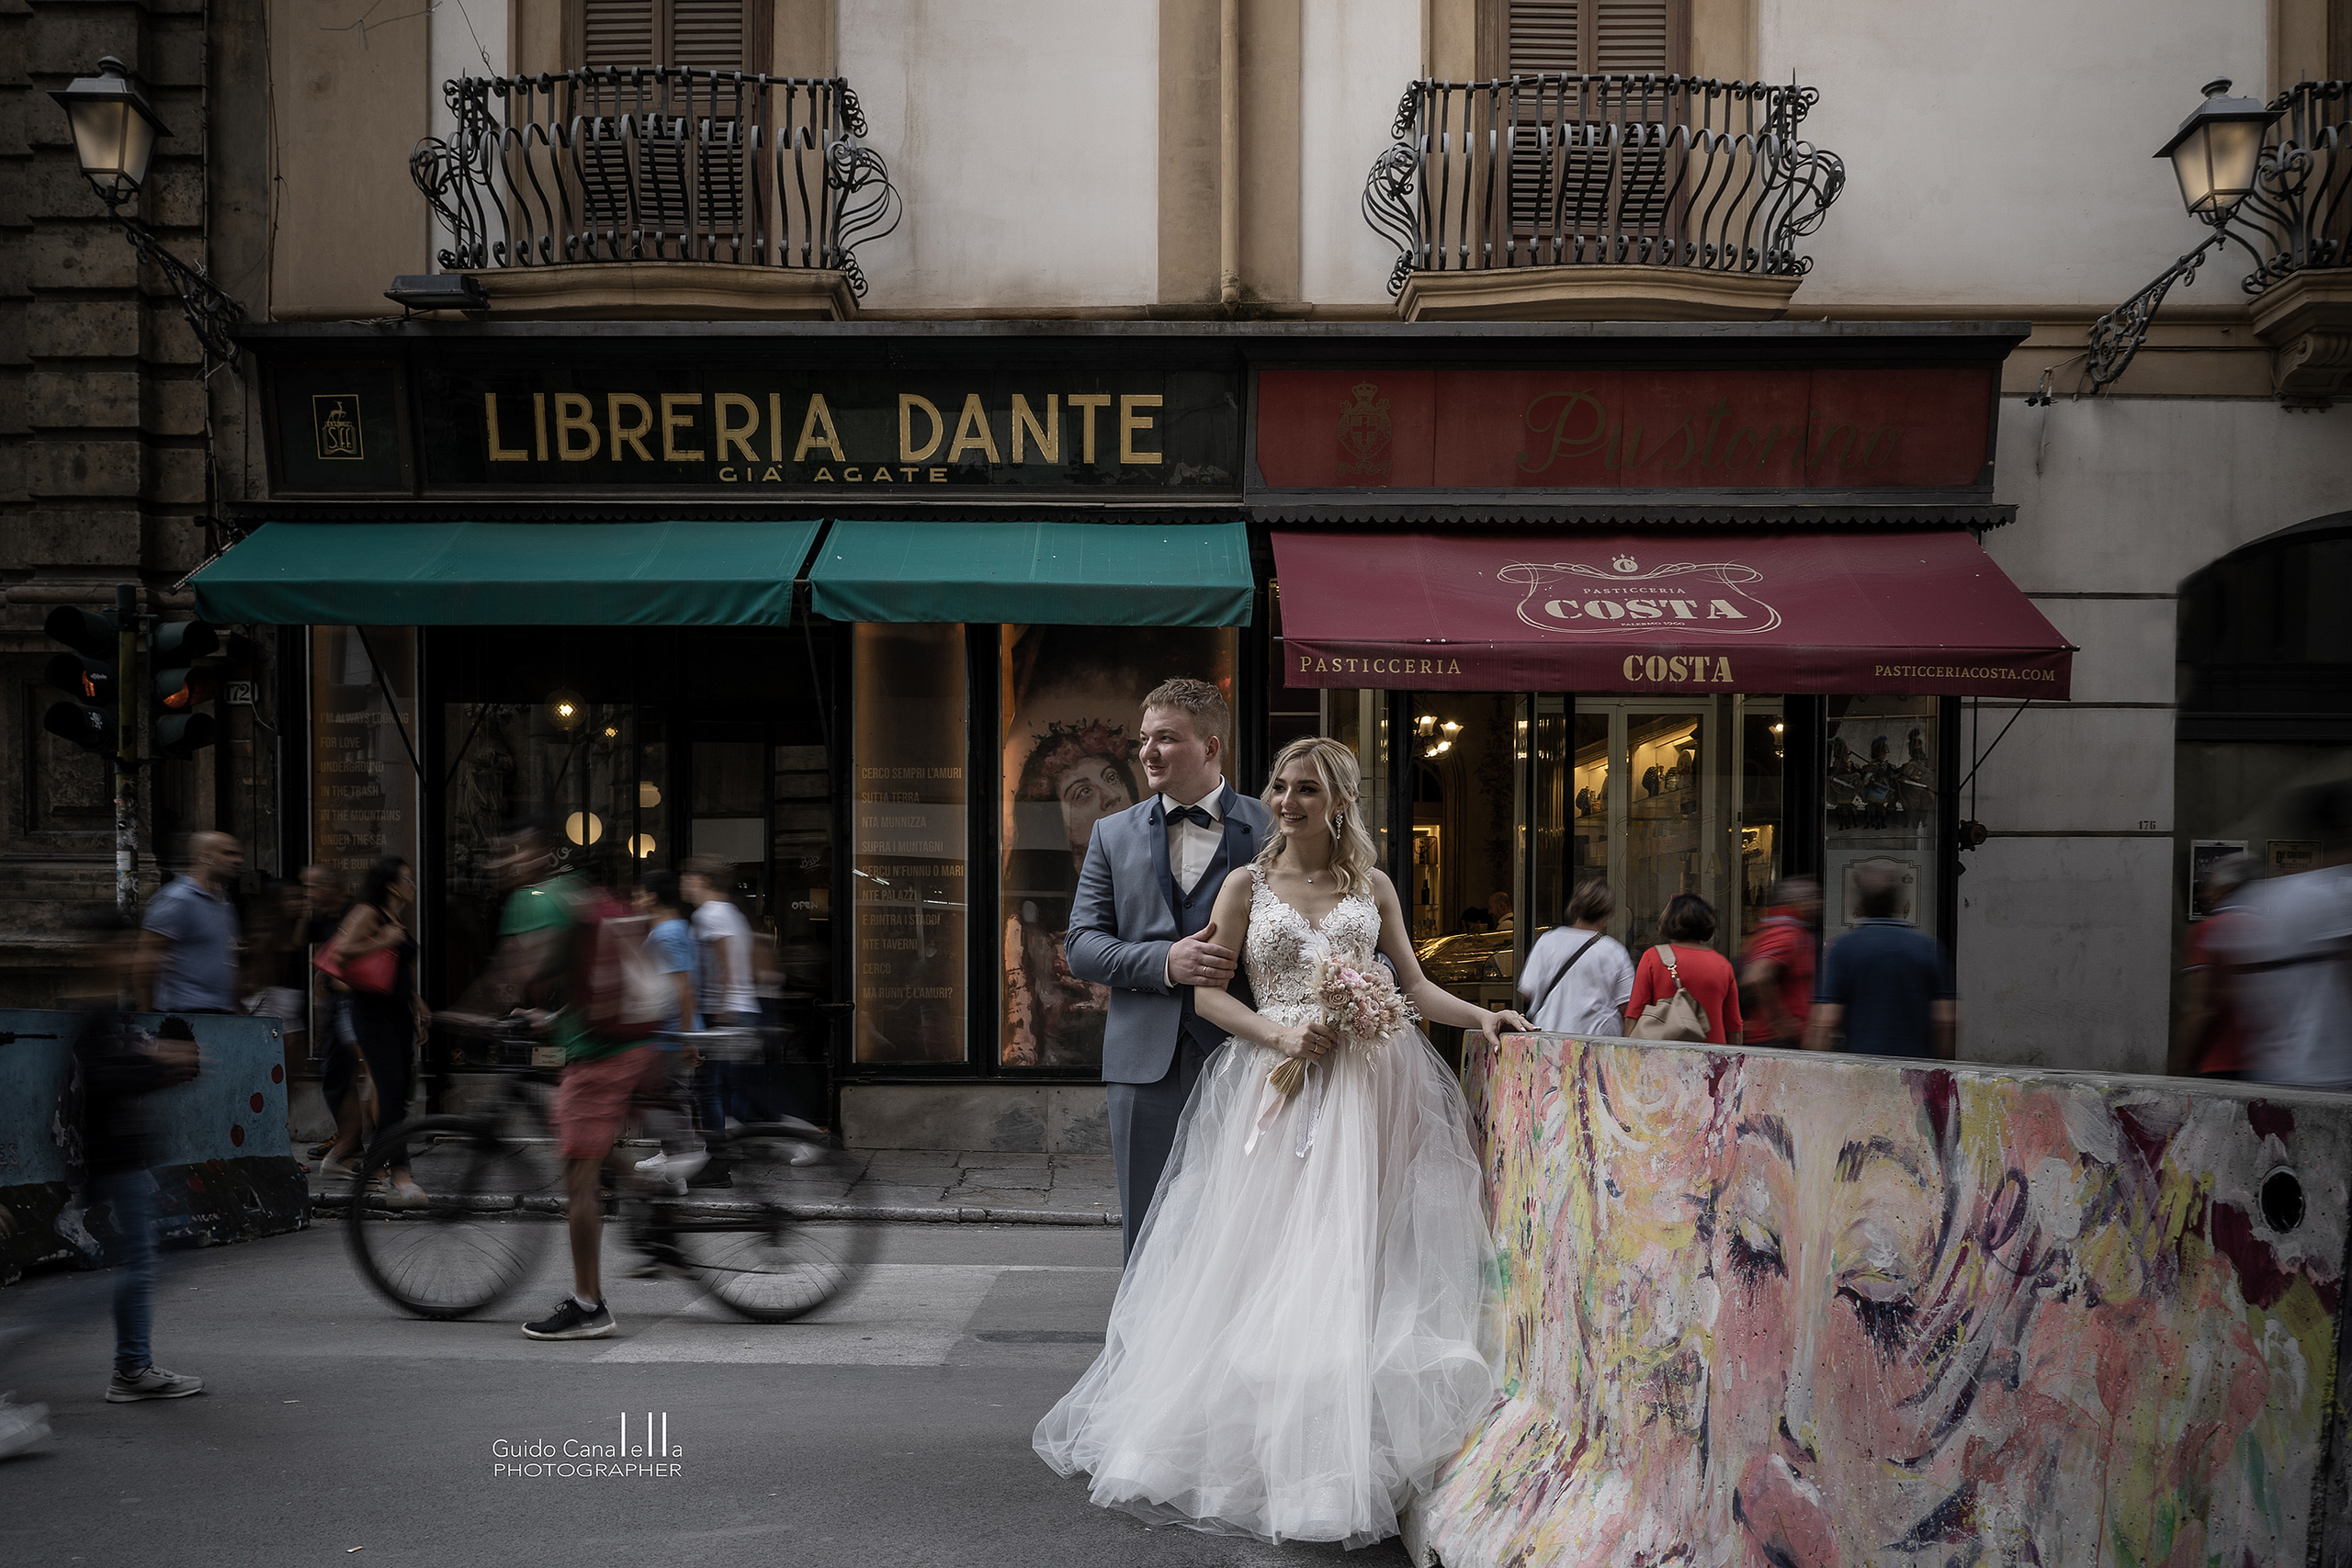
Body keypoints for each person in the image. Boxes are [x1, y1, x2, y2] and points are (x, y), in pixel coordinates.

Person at [1035, 736, 1527, 1547]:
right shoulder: (1245, 883)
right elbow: (1206, 997)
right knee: (1276, 1260)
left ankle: (1350, 1439)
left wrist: (1483, 1015)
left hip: (1373, 1085)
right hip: (1278, 1083)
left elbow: (1411, 986)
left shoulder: (1372, 885)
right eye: (1280, 786)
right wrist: (1279, 1035)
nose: (1288, 800)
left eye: (1305, 789)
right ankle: (1281, 1456)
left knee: (1364, 1256)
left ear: (1339, 801)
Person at [1063, 677, 1272, 1261]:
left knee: (1243, 1227)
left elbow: (1328, 920)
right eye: (1144, 739)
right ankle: (1140, 1352)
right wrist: (1165, 961)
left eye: (1166, 740)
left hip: (1246, 1055)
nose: (1147, 753)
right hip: (1141, 1062)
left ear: (1210, 747)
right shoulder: (1113, 833)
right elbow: (1081, 945)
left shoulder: (1272, 830)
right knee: (1147, 1235)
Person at [489, 821, 669, 1339]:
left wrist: (467, 1014)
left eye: (511, 853)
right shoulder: (580, 891)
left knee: (578, 1178)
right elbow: (594, 975)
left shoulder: (537, 900)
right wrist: (553, 1017)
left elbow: (517, 969)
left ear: (538, 857)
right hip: (625, 1041)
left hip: (601, 1053)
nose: (503, 864)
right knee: (570, 1131)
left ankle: (590, 1304)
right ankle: (642, 1185)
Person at [70, 909, 206, 1403]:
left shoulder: (105, 1006)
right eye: (128, 948)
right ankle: (130, 1368)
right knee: (140, 1265)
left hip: (123, 1153)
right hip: (115, 1155)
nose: (136, 957)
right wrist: (155, 1063)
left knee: (143, 1261)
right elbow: (105, 1080)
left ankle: (132, 1365)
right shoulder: (93, 1011)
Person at [1004, 720, 1136, 1066]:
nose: (1111, 796)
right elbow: (1021, 1042)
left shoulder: (1168, 887)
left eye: (1111, 778)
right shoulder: (1028, 924)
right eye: (1083, 792)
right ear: (1054, 820)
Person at [2210, 782, 2352, 1089]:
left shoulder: (2263, 900)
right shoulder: (2339, 895)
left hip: (2274, 1068)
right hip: (2334, 1069)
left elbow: (2227, 993)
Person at [316, 857, 431, 1201]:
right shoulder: (368, 912)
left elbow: (395, 970)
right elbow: (341, 953)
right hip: (371, 1014)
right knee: (391, 1092)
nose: (413, 886)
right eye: (408, 880)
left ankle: (379, 1169)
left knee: (398, 1094)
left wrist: (415, 1001)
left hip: (397, 1013)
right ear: (392, 885)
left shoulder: (397, 918)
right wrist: (382, 940)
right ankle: (400, 1173)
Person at [1804, 865, 1956, 1059]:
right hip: (1916, 1070)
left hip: (1862, 1067)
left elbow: (1827, 1019)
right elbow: (1945, 1020)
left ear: (1860, 904)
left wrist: (1816, 1071)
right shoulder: (1927, 947)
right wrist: (1941, 1069)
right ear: (1898, 905)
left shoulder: (1845, 948)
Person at [630, 870, 707, 1195]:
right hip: (669, 1031)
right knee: (668, 1098)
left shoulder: (667, 934)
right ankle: (671, 1157)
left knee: (670, 1100)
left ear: (652, 897)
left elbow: (683, 988)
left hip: (672, 1033)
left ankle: (677, 1174)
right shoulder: (673, 929)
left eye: (638, 895)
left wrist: (687, 1038)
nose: (634, 901)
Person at [682, 855, 759, 1153]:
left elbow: (725, 959)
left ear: (705, 881)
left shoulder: (709, 914)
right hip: (742, 1008)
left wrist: (723, 1004)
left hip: (725, 1011)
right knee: (727, 1087)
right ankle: (731, 1150)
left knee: (706, 1088)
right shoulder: (733, 913)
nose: (683, 884)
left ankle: (718, 1158)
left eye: (688, 878)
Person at [2174, 852, 2260, 1078]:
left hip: (2221, 1063)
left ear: (2227, 888)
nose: (2205, 894)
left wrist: (2177, 1067)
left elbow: (2201, 1009)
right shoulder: (2271, 928)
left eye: (2211, 886)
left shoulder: (2207, 931)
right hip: (2270, 1062)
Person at [137, 831, 243, 1013]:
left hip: (219, 1011)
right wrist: (146, 1015)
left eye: (239, 855)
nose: (238, 860)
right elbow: (147, 959)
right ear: (206, 857)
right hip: (184, 1011)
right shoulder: (179, 899)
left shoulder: (223, 901)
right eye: (228, 853)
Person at [1518, 876, 1635, 1036]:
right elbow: (1626, 1006)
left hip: (1550, 1038)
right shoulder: (1614, 951)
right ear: (1605, 915)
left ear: (1575, 908)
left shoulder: (1547, 941)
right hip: (1599, 1043)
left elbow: (1526, 992)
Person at [1625, 895, 1744, 1044]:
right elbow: (1734, 1026)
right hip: (1712, 1058)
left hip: (1665, 1054)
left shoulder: (1652, 957)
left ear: (1667, 921)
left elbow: (1634, 1014)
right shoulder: (1722, 964)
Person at [1738, 877, 1820, 1046]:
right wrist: (1779, 1020)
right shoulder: (1785, 930)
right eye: (1812, 896)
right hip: (1774, 1040)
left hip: (1778, 1038)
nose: (1818, 902)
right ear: (1796, 901)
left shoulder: (1785, 927)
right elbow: (1756, 975)